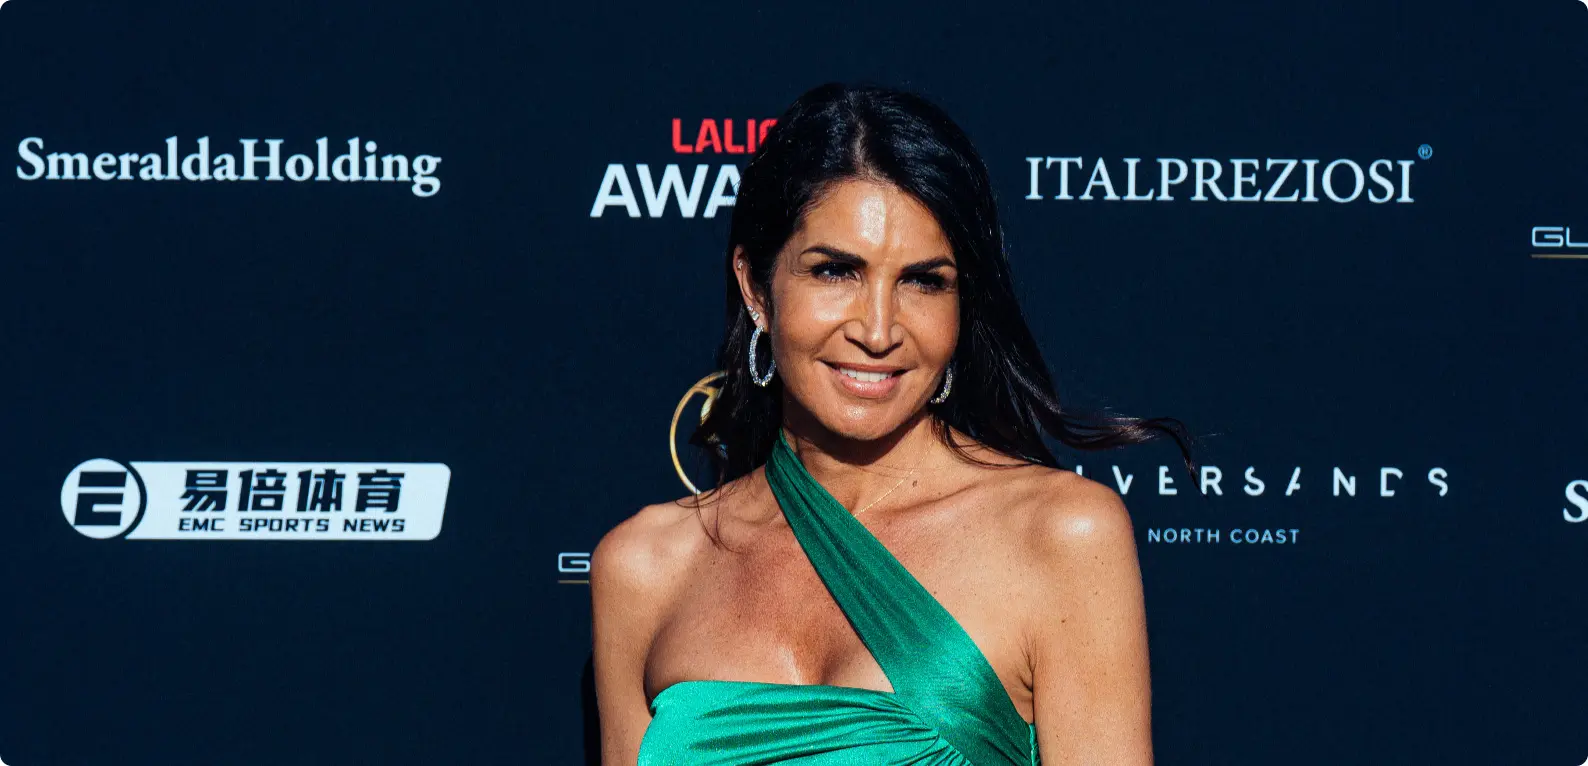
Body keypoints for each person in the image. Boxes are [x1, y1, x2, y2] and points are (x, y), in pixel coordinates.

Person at [590, 82, 1192, 765]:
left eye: (923, 281)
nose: (878, 331)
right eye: (835, 271)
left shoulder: (1058, 536)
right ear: (757, 287)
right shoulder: (645, 567)